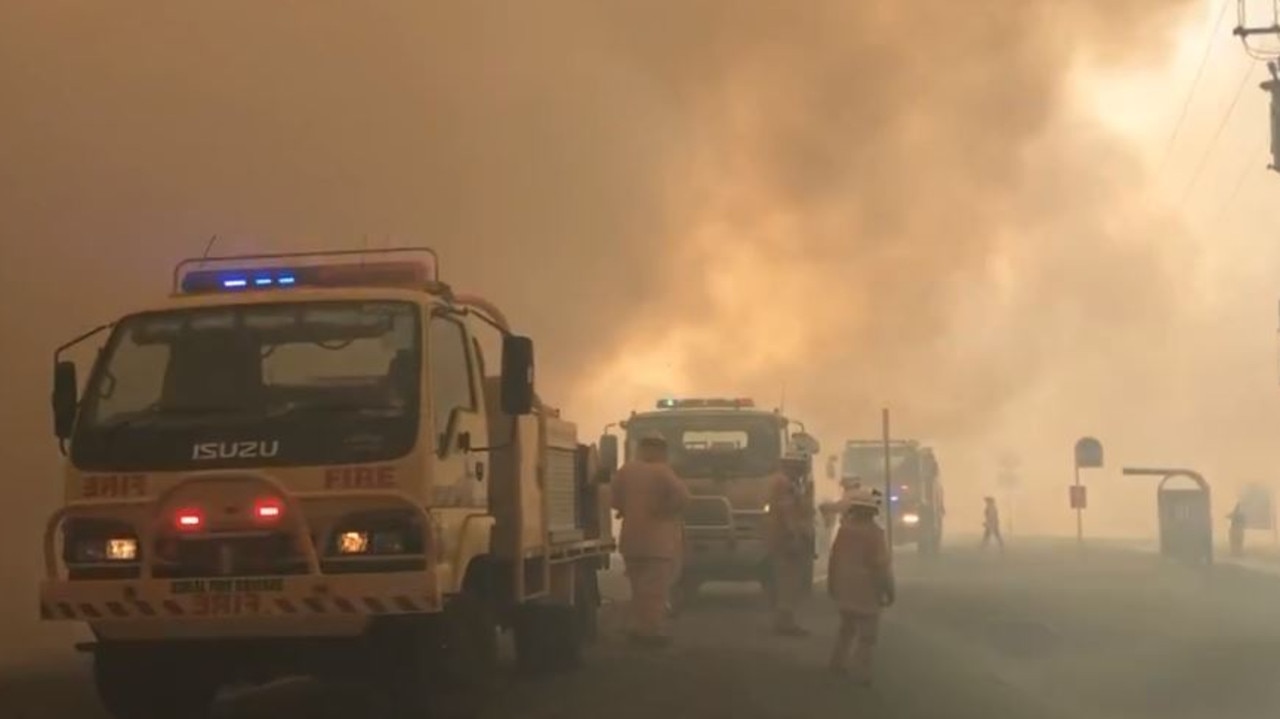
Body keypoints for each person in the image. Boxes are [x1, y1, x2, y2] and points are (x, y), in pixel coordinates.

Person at [611, 431, 691, 647]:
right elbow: (683, 498)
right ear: (660, 450)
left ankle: (637, 627)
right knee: (655, 591)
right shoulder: (662, 471)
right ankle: (650, 632)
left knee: (638, 588)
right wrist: (665, 510)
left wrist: (628, 508)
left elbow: (614, 499)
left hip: (631, 541)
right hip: (658, 543)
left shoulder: (625, 471)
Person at [827, 487, 894, 685]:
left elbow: (834, 560)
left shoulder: (844, 531)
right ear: (873, 512)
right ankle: (862, 672)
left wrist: (832, 584)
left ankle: (837, 662)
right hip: (868, 591)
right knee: (867, 636)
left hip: (844, 588)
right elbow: (881, 566)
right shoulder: (875, 534)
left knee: (846, 629)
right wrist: (889, 590)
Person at [765, 451, 817, 636]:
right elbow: (787, 512)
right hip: (787, 540)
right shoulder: (784, 483)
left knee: (787, 583)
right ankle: (785, 623)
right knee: (788, 583)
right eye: (802, 465)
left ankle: (785, 621)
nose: (804, 469)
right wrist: (794, 536)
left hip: (785, 538)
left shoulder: (784, 481)